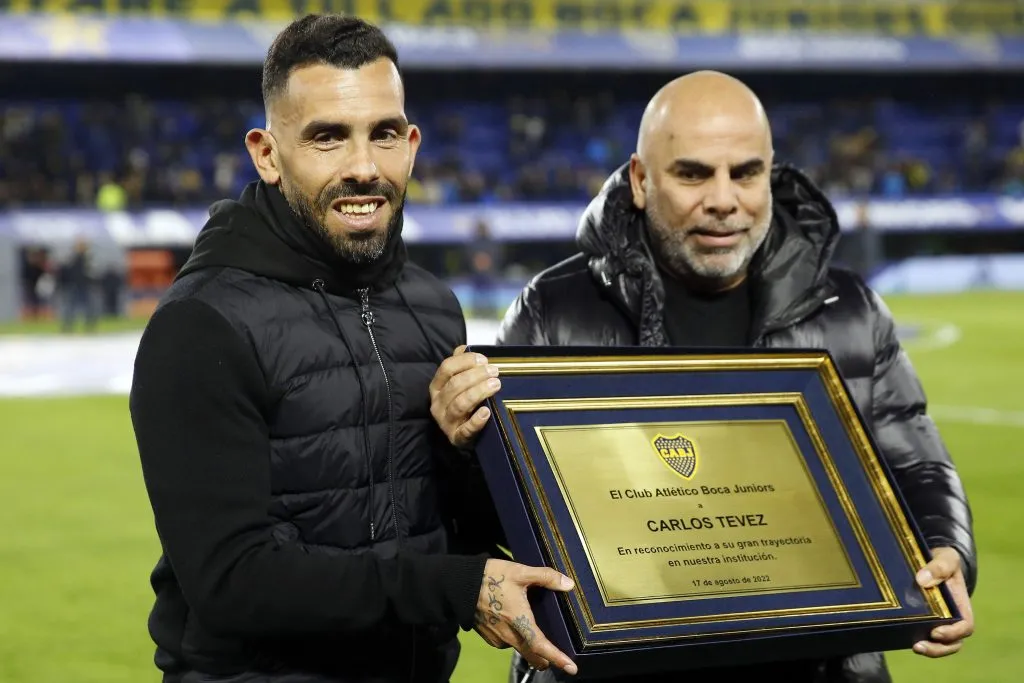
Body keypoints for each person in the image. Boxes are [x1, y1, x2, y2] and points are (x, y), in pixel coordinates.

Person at [429, 71, 977, 683]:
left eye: (745, 173)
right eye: (693, 174)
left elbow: (918, 463)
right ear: (640, 180)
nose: (724, 199)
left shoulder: (849, 310)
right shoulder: (553, 310)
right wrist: (459, 446)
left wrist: (945, 549)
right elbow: (495, 515)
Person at [129, 15, 577, 683]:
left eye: (384, 134)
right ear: (267, 154)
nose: (364, 167)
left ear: (413, 143)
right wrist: (452, 588)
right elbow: (231, 579)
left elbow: (451, 529)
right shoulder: (202, 324)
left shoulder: (432, 307)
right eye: (328, 138)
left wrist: (461, 454)